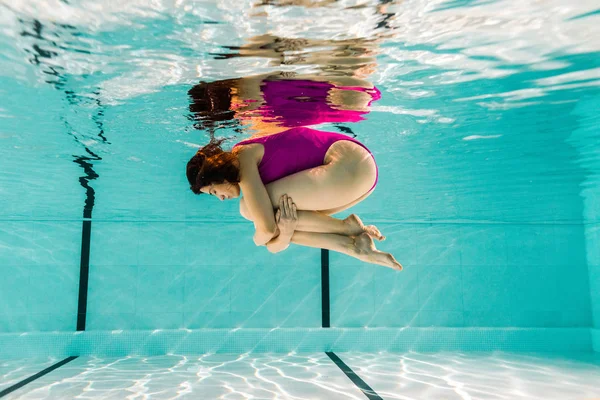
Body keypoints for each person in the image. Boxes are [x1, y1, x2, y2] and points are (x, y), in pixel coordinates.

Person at [186, 126, 402, 270]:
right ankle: (354, 246)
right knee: (282, 223)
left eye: (214, 191)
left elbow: (266, 231)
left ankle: (349, 229)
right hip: (358, 175)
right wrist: (284, 233)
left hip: (351, 166)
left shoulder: (242, 158)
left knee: (248, 210)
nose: (221, 199)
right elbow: (274, 243)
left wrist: (257, 240)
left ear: (217, 174)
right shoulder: (248, 166)